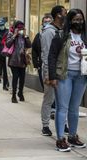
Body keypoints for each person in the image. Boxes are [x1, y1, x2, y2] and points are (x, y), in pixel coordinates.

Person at [48, 8, 87, 152]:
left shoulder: (85, 36)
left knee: (74, 108)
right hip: (64, 75)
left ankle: (72, 136)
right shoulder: (61, 36)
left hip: (81, 76)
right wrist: (52, 77)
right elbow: (51, 56)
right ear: (70, 21)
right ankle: (60, 139)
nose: (79, 22)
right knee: (62, 108)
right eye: (76, 19)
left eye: (81, 19)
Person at [40, 5, 67, 136]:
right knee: (49, 99)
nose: (66, 15)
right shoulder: (48, 32)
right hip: (50, 70)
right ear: (58, 15)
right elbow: (45, 54)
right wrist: (47, 75)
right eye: (64, 13)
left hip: (61, 71)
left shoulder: (63, 31)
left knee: (63, 101)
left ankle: (64, 124)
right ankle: (45, 125)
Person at [6, 20, 31, 103]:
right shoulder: (10, 34)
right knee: (15, 77)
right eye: (18, 28)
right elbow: (8, 44)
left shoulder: (24, 36)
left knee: (22, 78)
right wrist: (14, 35)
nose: (20, 30)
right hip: (14, 60)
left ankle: (20, 92)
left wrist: (25, 36)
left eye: (21, 28)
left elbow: (29, 45)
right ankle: (13, 95)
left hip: (22, 60)